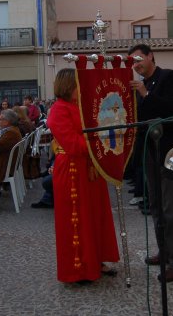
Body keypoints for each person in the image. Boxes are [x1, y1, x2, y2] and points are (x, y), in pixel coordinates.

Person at [128, 43, 173, 282]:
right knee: (155, 205)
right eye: (132, 62)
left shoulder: (169, 76)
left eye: (138, 59)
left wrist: (146, 93)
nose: (136, 65)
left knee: (172, 209)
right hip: (150, 151)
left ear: (150, 56)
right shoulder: (139, 87)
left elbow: (172, 109)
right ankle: (164, 252)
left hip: (170, 151)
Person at [46, 68, 119, 283]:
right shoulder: (58, 110)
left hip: (89, 168)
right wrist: (100, 139)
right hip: (71, 171)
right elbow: (73, 144)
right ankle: (78, 270)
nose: (83, 89)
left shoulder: (79, 105)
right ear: (68, 86)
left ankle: (95, 261)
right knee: (77, 221)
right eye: (79, 84)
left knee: (94, 217)